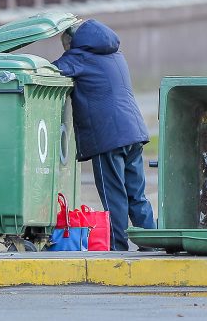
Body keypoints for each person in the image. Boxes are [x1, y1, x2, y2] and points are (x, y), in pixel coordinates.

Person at [53, 19, 156, 251]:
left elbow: (51, 70)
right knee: (136, 194)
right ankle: (153, 242)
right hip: (133, 131)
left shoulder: (78, 57)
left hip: (107, 137)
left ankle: (116, 247)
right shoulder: (115, 54)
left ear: (73, 42)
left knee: (114, 196)